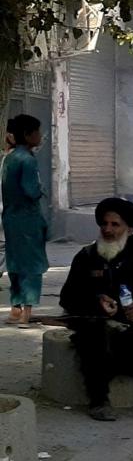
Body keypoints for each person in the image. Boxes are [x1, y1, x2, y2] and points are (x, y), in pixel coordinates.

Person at [60, 198, 133, 421]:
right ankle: (98, 400)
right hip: (98, 325)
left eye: (115, 225)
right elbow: (68, 297)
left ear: (129, 229)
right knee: (93, 334)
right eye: (105, 224)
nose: (108, 230)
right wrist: (97, 301)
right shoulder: (86, 257)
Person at [1, 115, 48, 328]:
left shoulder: (9, 158)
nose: (40, 136)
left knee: (15, 263)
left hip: (11, 218)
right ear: (28, 135)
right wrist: (41, 191)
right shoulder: (28, 160)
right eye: (37, 132)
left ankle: (15, 308)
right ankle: (26, 314)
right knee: (32, 265)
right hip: (28, 219)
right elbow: (31, 190)